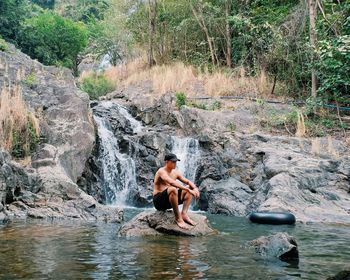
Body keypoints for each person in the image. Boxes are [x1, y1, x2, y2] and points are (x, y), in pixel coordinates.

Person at [153, 153, 200, 229]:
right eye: (173, 162)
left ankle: (184, 214)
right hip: (159, 202)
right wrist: (188, 189)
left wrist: (195, 189)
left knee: (189, 187)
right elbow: (171, 182)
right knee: (173, 188)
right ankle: (178, 218)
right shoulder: (161, 171)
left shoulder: (176, 172)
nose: (175, 164)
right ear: (166, 162)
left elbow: (187, 182)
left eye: (176, 162)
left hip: (170, 201)